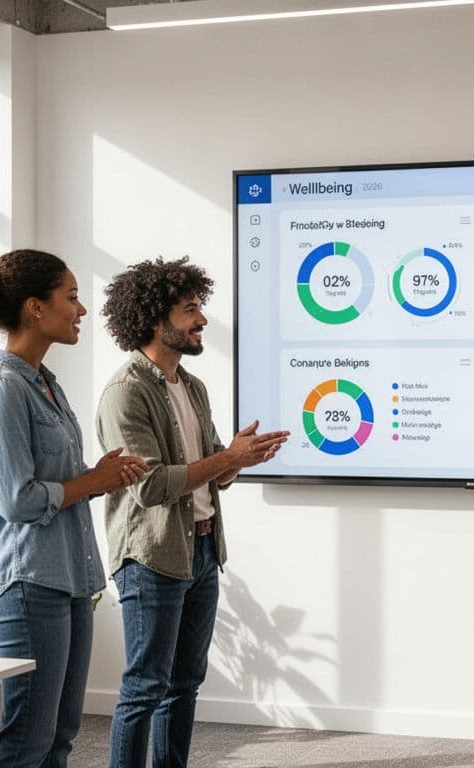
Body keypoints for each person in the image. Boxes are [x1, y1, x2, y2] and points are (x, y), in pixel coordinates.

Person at [0, 249, 148, 768]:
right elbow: (17, 500)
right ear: (36, 307)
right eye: (72, 297)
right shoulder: (2, 390)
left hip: (69, 577)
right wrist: (90, 480)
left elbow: (58, 484)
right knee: (28, 737)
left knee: (60, 735)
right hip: (28, 582)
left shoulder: (46, 383)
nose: (81, 311)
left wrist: (99, 479)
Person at [96, 257, 289, 768]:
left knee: (184, 685)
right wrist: (227, 459)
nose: (202, 319)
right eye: (190, 309)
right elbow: (152, 486)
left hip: (201, 550)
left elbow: (212, 476)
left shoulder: (193, 387)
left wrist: (240, 458)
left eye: (199, 307)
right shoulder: (126, 393)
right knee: (145, 687)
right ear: (155, 320)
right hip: (152, 558)